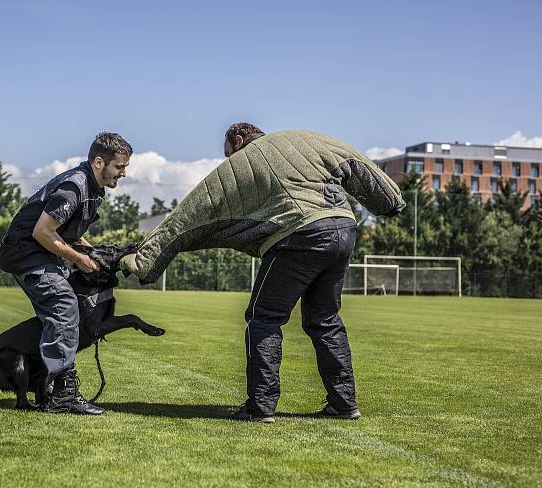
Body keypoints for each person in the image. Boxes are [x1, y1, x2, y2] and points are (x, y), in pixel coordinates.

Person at [121, 124, 405, 422]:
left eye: (228, 153)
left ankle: (261, 406)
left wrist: (143, 262)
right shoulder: (306, 138)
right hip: (343, 229)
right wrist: (390, 203)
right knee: (325, 320)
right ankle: (344, 405)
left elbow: (191, 212)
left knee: (264, 317)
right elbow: (356, 162)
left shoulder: (241, 164)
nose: (228, 160)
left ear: (239, 140)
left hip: (300, 234)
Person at [0, 132, 132, 415]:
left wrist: (93, 253)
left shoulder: (92, 190)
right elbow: (43, 231)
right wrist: (79, 259)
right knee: (64, 305)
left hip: (40, 254)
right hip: (27, 254)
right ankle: (63, 395)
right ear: (99, 162)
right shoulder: (75, 187)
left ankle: (46, 386)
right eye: (119, 167)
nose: (122, 174)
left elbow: (68, 233)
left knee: (62, 310)